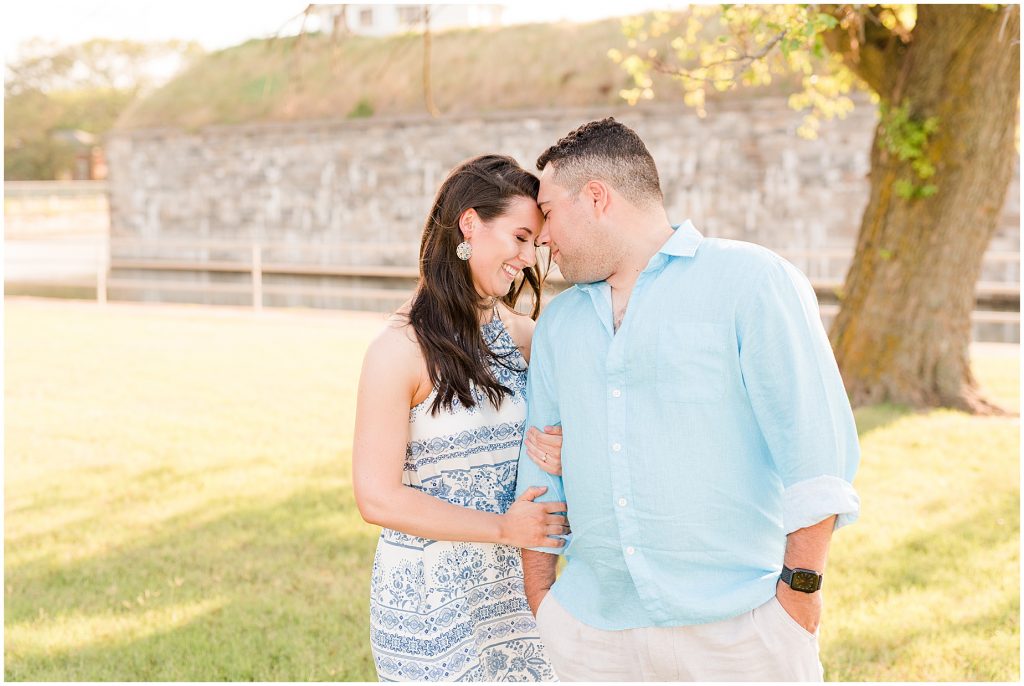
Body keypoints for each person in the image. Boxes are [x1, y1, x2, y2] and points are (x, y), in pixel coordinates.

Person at [514, 118, 861, 681]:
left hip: (741, 630)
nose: (543, 238)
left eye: (549, 211)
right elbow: (539, 470)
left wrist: (798, 596)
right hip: (591, 633)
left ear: (596, 197)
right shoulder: (560, 325)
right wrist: (543, 601)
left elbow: (815, 451)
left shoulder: (752, 281)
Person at [352, 154, 566, 682]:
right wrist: (501, 527)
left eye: (534, 243)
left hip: (516, 590)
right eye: (518, 237)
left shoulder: (527, 338)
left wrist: (569, 450)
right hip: (431, 596)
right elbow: (376, 498)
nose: (527, 258)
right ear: (469, 223)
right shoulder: (399, 350)